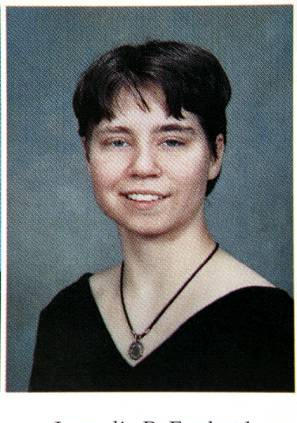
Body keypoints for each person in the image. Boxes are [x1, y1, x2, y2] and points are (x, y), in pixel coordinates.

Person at [29, 40, 294, 392]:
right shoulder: (65, 316)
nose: (142, 167)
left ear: (215, 155)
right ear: (87, 153)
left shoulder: (272, 326)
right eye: (117, 142)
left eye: (172, 141)